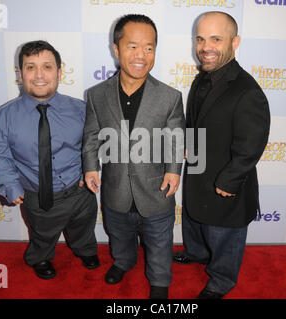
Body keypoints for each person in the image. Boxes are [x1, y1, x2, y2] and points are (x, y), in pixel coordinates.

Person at [83, 14, 185, 299]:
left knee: (160, 241)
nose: (142, 55)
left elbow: (177, 138)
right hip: (115, 188)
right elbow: (91, 136)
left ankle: (160, 281)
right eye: (132, 46)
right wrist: (91, 167)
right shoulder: (96, 95)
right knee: (119, 235)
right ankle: (123, 262)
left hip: (156, 189)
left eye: (149, 47)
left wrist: (174, 170)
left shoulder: (170, 96)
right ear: (116, 49)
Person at [174, 11, 270, 299]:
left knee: (224, 234)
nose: (206, 47)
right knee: (195, 223)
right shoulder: (202, 78)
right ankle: (198, 254)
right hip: (198, 173)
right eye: (201, 39)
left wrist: (229, 181)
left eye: (216, 39)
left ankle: (221, 281)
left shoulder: (246, 90)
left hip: (225, 182)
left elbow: (252, 143)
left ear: (235, 41)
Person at [0, 40, 99, 279]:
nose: (39, 75)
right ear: (20, 73)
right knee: (42, 234)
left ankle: (85, 250)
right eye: (30, 67)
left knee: (83, 228)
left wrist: (85, 173)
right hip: (37, 195)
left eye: (47, 66)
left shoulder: (80, 109)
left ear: (59, 71)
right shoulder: (3, 117)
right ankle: (41, 257)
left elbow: (94, 144)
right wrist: (10, 185)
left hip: (79, 192)